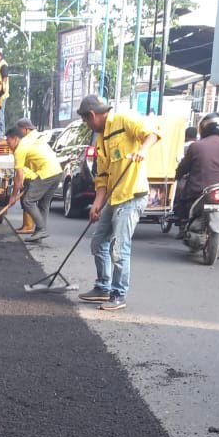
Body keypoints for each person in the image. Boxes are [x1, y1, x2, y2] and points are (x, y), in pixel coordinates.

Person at [76, 95, 160, 311]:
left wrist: (142, 150)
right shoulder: (102, 139)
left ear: (93, 115)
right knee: (98, 242)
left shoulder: (124, 120)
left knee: (119, 248)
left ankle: (118, 294)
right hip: (114, 197)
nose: (88, 125)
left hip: (132, 194)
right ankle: (103, 286)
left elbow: (152, 133)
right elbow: (102, 178)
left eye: (87, 121)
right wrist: (97, 204)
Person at [172, 112, 219, 235]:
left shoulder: (196, 146)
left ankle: (183, 225)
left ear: (204, 128)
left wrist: (177, 176)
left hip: (199, 189)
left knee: (182, 196)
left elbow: (184, 167)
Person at [5, 122, 61, 241]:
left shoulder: (19, 149)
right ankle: (39, 233)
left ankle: (42, 229)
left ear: (15, 139)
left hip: (47, 173)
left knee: (27, 201)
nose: (8, 146)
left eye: (8, 142)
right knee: (43, 204)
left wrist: (13, 196)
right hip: (57, 172)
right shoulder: (29, 142)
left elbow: (18, 177)